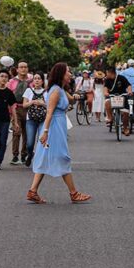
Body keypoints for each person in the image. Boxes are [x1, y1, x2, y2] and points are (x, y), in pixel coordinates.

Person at [27, 62, 91, 204]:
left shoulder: (60, 89)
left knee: (45, 157)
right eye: (68, 71)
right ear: (61, 74)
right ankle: (73, 193)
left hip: (58, 125)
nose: (70, 74)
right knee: (63, 157)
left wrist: (78, 96)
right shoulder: (56, 90)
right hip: (54, 127)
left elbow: (71, 99)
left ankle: (33, 191)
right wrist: (45, 132)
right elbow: (49, 112)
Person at [8, 62, 33, 165]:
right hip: (16, 109)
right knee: (16, 132)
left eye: (25, 67)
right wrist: (10, 112)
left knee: (27, 134)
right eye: (21, 67)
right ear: (17, 69)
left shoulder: (31, 81)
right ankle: (15, 156)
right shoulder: (12, 82)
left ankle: (24, 154)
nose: (23, 69)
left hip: (28, 109)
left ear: (28, 69)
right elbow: (9, 97)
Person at [22, 74, 47, 167]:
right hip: (31, 120)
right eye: (35, 79)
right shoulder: (29, 90)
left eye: (39, 79)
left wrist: (42, 103)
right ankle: (30, 154)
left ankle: (40, 159)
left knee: (41, 141)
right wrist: (32, 102)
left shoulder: (46, 92)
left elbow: (50, 106)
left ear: (42, 81)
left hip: (43, 119)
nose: (37, 80)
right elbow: (24, 105)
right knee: (29, 143)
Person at [103, 67, 131, 135]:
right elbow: (105, 88)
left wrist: (130, 91)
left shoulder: (122, 78)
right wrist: (106, 93)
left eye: (107, 72)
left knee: (125, 113)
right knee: (107, 102)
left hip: (122, 96)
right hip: (112, 97)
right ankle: (110, 118)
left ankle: (125, 128)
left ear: (111, 73)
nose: (106, 74)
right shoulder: (107, 80)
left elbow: (128, 85)